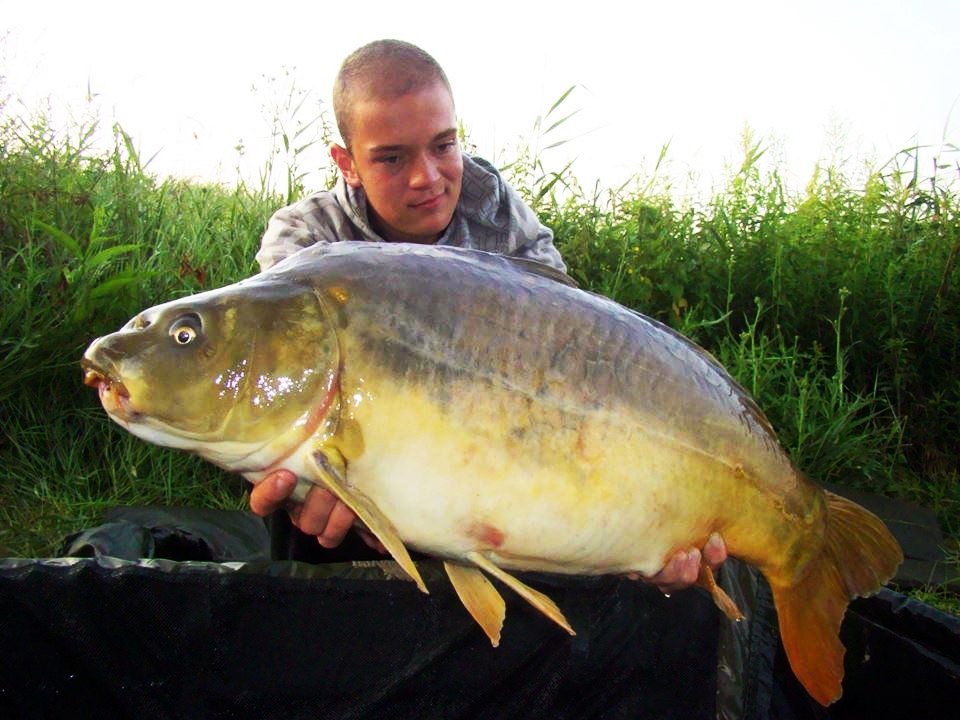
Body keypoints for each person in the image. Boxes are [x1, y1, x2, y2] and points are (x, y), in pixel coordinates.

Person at [246, 39, 727, 593]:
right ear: (346, 163)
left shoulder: (498, 217)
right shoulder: (306, 244)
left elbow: (575, 369)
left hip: (490, 465)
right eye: (392, 157)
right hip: (357, 484)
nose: (427, 177)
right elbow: (275, 394)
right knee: (300, 495)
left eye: (443, 145)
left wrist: (638, 527)